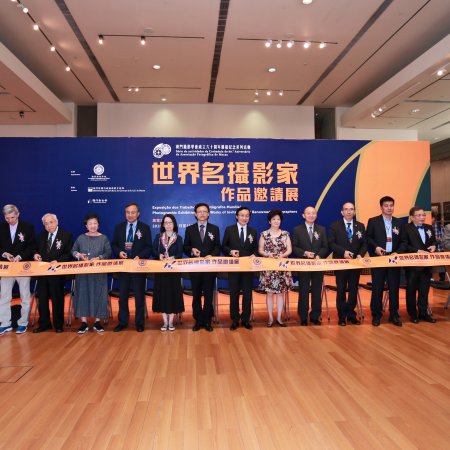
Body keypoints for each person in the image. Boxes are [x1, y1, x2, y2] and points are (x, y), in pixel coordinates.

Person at [366, 196, 407, 327]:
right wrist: (376, 248)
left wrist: (398, 253)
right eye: (386, 205)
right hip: (379, 259)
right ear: (381, 207)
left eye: (391, 205)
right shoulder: (373, 221)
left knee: (394, 287)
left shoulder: (399, 222)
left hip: (393, 259)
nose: (389, 208)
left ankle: (394, 314)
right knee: (377, 287)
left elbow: (404, 241)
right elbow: (368, 238)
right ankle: (376, 315)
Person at [111, 203, 152, 333]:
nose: (130, 215)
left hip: (138, 267)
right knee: (123, 296)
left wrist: (140, 256)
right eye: (128, 212)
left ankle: (139, 322)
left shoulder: (145, 228)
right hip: (124, 267)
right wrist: (119, 252)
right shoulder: (119, 227)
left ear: (138, 214)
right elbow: (114, 244)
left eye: (133, 212)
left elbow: (148, 247)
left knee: (139, 296)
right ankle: (123, 322)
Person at [71, 214, 111, 334]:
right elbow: (73, 251)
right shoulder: (81, 238)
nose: (93, 226)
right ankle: (83, 323)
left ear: (98, 224)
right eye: (90, 223)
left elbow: (108, 253)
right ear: (86, 225)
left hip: (99, 274)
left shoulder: (103, 238)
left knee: (100, 295)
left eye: (95, 223)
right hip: (83, 274)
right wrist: (79, 255)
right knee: (82, 295)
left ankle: (98, 322)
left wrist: (99, 258)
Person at [328, 202, 367, 326]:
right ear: (342, 212)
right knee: (341, 289)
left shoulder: (360, 226)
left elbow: (364, 243)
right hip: (341, 262)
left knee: (353, 289)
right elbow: (331, 243)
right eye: (346, 209)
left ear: (354, 212)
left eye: (351, 209)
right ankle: (341, 316)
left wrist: (360, 254)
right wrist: (343, 252)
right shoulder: (335, 225)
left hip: (355, 263)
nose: (349, 211)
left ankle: (351, 314)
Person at [33, 214, 73, 333]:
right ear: (43, 225)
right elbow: (35, 249)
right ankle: (44, 324)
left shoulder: (66, 235)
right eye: (46, 223)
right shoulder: (41, 236)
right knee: (42, 300)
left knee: (57, 299)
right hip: (42, 273)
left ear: (57, 221)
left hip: (57, 273)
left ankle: (58, 324)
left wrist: (58, 261)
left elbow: (69, 253)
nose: (49, 225)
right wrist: (35, 255)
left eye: (51, 222)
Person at [184, 203, 221, 332]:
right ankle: (198, 320)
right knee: (196, 295)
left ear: (208, 214)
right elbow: (185, 246)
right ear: (195, 214)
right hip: (195, 268)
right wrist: (192, 250)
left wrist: (212, 255)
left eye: (205, 211)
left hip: (209, 267)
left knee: (209, 295)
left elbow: (218, 246)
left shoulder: (214, 228)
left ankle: (207, 321)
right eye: (199, 211)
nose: (202, 214)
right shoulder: (190, 229)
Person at [0, 204, 36, 335]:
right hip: (6, 267)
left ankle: (23, 323)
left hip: (22, 266)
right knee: (4, 296)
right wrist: (5, 254)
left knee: (25, 296)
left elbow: (31, 246)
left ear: (18, 214)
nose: (10, 220)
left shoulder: (28, 227)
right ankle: (5, 323)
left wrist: (20, 256)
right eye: (7, 218)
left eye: (12, 217)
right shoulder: (1, 227)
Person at [222, 206, 258, 331]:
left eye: (247, 215)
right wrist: (230, 251)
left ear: (249, 217)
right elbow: (224, 246)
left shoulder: (253, 231)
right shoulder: (229, 229)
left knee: (247, 294)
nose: (244, 218)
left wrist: (254, 255)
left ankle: (246, 319)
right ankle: (235, 319)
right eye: (242, 215)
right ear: (237, 216)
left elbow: (255, 248)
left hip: (248, 267)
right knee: (234, 293)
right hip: (234, 266)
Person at [292, 207, 328, 326]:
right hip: (303, 265)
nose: (311, 215)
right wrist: (304, 253)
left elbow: (325, 246)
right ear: (304, 215)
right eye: (308, 213)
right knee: (303, 291)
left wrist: (319, 255)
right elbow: (294, 246)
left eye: (313, 213)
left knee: (317, 292)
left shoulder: (321, 229)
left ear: (316, 215)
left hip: (317, 266)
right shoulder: (297, 229)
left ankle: (315, 316)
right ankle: (303, 316)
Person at [258, 209, 293, 327]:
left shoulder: (285, 234)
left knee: (280, 294)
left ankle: (279, 318)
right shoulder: (264, 234)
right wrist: (268, 254)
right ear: (269, 221)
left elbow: (289, 250)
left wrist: (282, 256)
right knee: (269, 294)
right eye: (274, 219)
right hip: (269, 268)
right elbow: (260, 250)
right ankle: (270, 318)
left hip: (282, 267)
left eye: (278, 219)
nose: (276, 221)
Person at [152, 214, 184, 331]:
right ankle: (165, 322)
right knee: (163, 296)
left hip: (173, 272)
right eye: (166, 222)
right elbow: (153, 250)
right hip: (161, 272)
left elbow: (180, 254)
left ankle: (171, 322)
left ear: (174, 224)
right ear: (163, 225)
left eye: (170, 222)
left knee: (173, 296)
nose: (168, 225)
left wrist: (172, 258)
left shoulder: (178, 238)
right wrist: (159, 255)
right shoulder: (158, 237)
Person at [405, 206, 437, 324]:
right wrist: (417, 251)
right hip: (412, 265)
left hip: (426, 265)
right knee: (411, 290)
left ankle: (423, 313)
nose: (422, 217)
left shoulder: (429, 227)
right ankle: (413, 314)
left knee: (424, 290)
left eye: (423, 215)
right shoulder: (406, 228)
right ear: (411, 217)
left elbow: (434, 241)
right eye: (419, 215)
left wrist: (434, 246)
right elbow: (404, 245)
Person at [432, 214, 446, 281]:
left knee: (441, 268)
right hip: (430, 251)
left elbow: (444, 239)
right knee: (429, 267)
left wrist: (438, 239)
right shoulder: (426, 227)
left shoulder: (440, 226)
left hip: (440, 250)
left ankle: (442, 280)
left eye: (431, 218)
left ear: (434, 218)